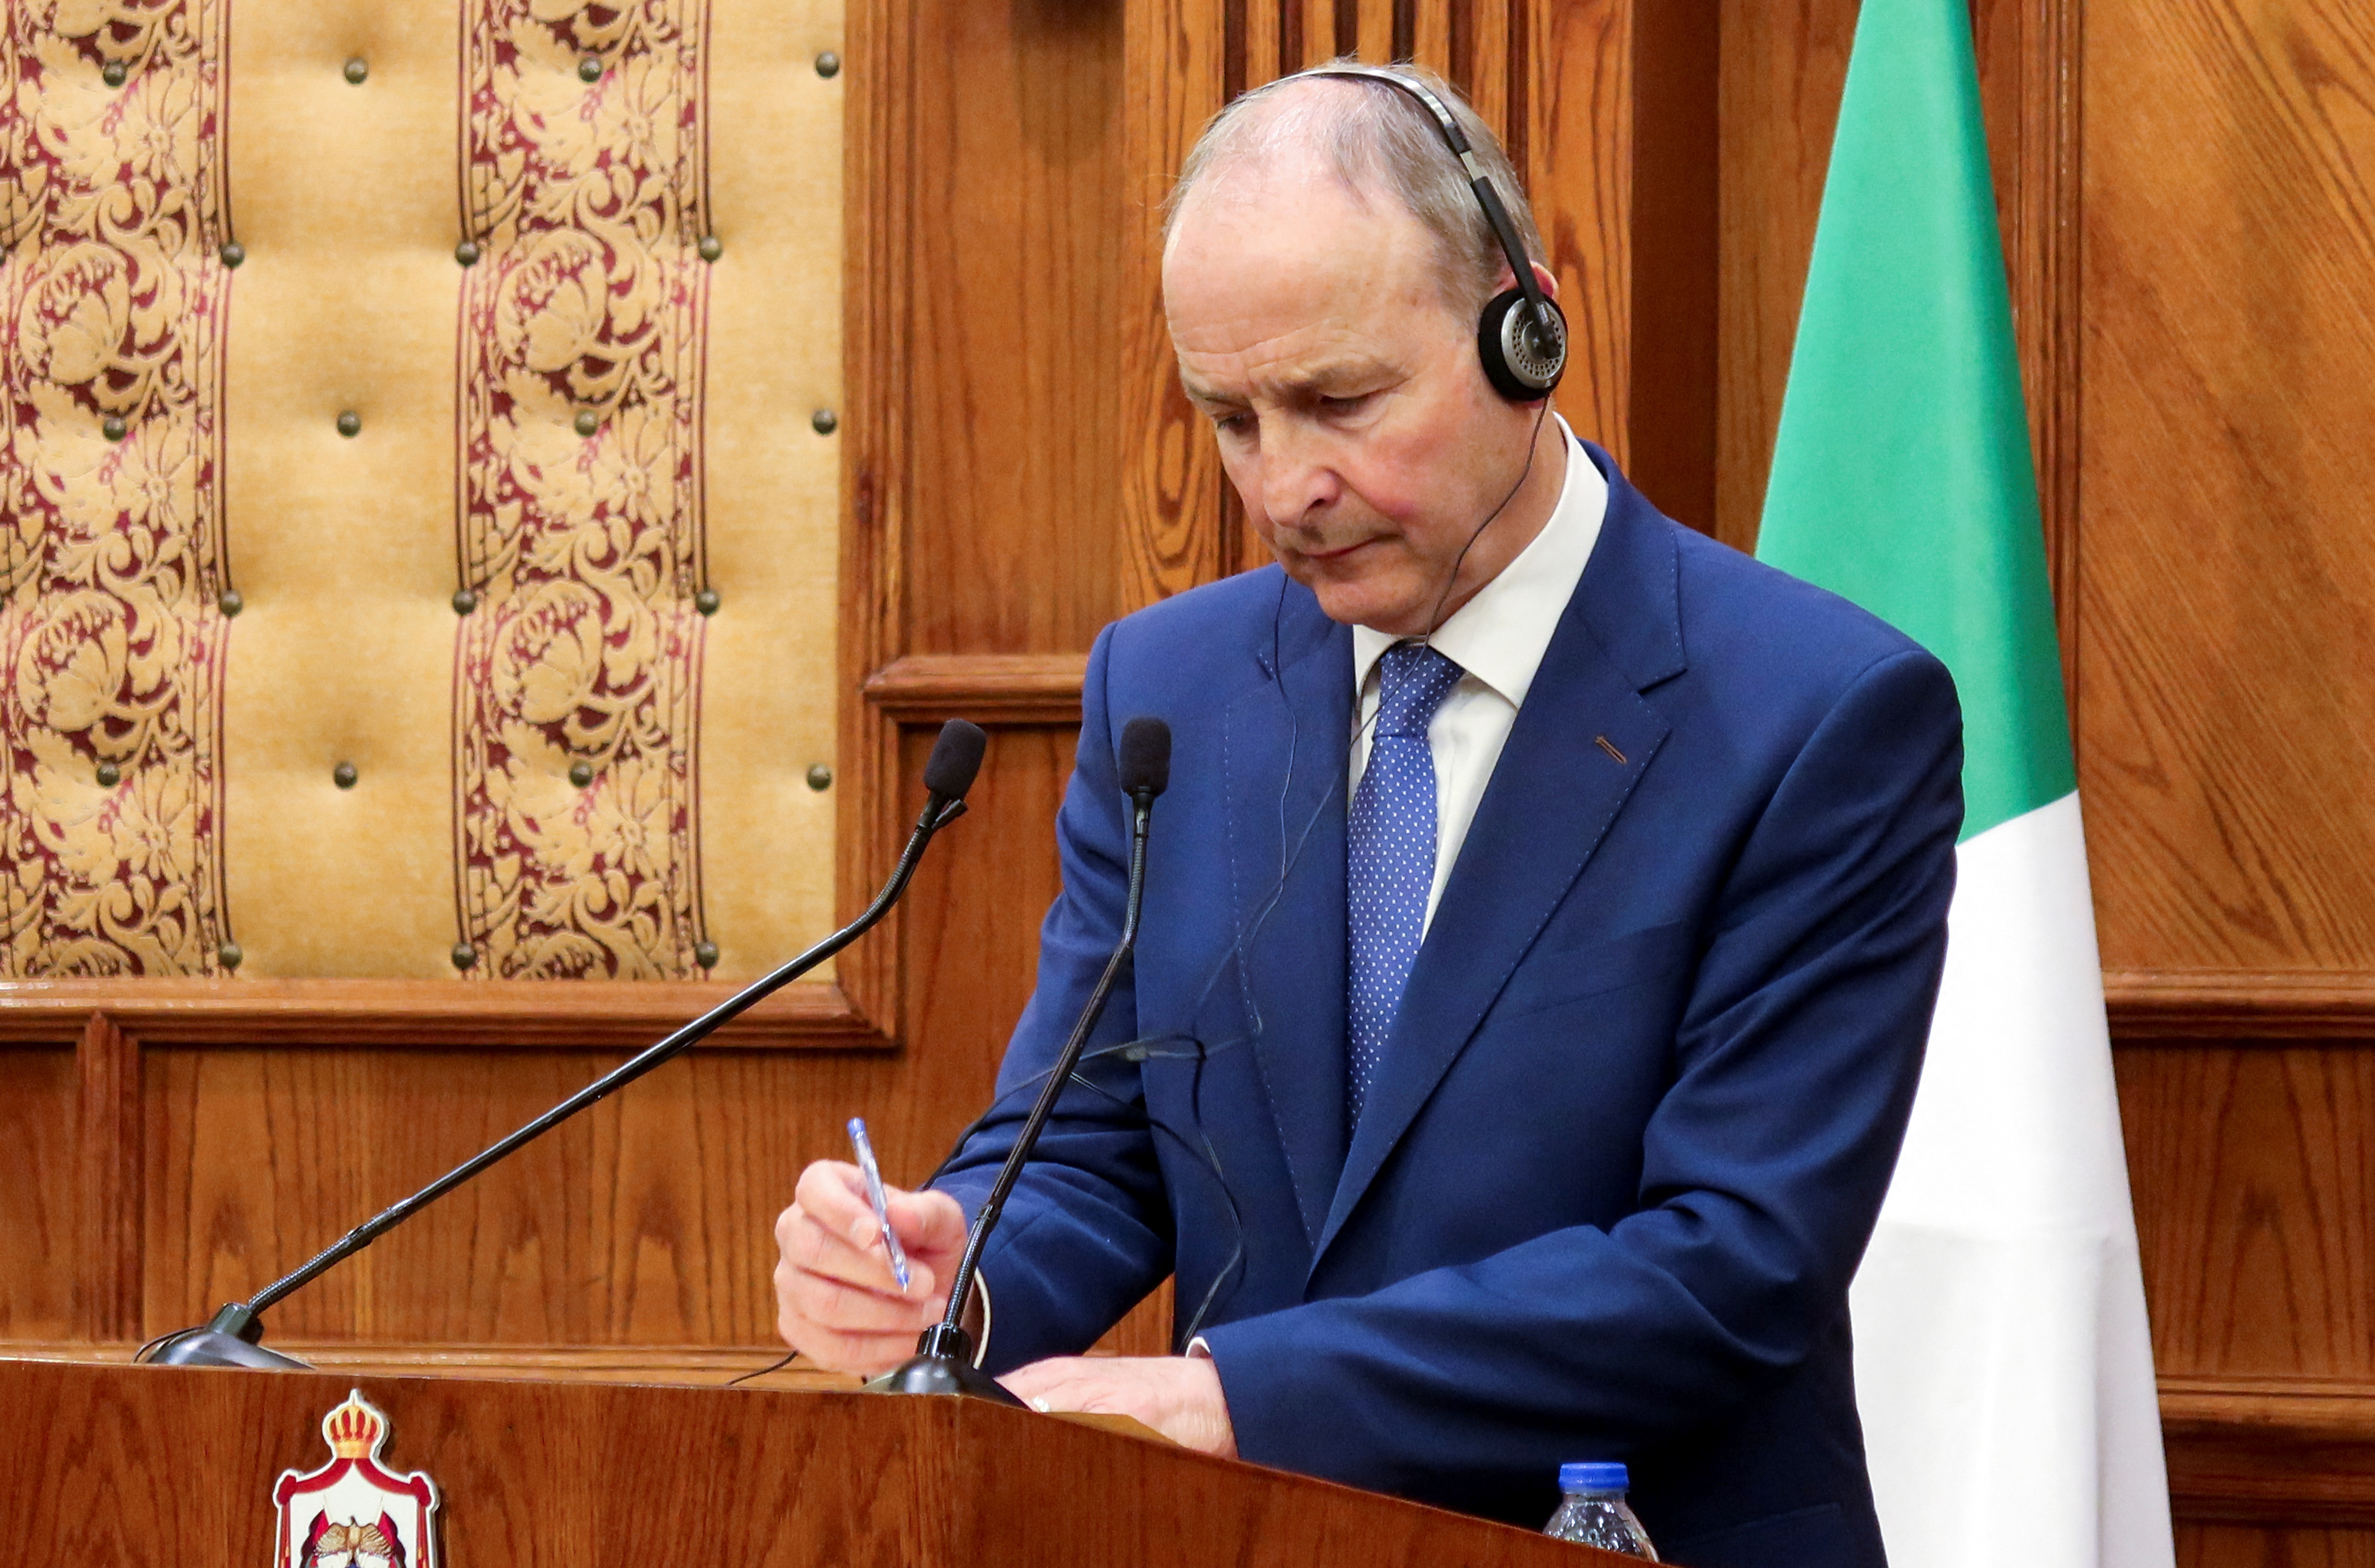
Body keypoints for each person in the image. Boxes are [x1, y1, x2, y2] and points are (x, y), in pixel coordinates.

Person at [773, 63, 1961, 1568]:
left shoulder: (1816, 713)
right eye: (1232, 416)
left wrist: (1243, 1394)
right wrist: (954, 1266)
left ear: (1525, 328)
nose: (1284, 485)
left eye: (1338, 401)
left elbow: (1729, 1265)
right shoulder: (1171, 688)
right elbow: (1089, 1147)